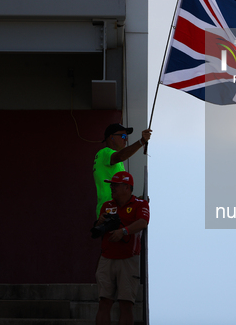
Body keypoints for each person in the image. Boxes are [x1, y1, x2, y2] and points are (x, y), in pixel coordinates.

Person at [95, 171, 149, 325]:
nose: (112, 187)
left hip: (128, 259)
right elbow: (100, 228)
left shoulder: (140, 204)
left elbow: (143, 222)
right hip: (107, 258)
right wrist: (99, 223)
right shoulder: (107, 205)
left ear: (127, 187)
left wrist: (123, 231)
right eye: (111, 184)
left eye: (115, 185)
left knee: (126, 305)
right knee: (104, 303)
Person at [93, 123, 151, 216]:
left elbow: (120, 191)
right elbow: (121, 156)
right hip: (108, 211)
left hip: (116, 210)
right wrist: (141, 141)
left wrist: (136, 200)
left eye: (126, 136)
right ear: (111, 137)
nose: (126, 139)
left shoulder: (116, 161)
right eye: (123, 136)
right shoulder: (104, 153)